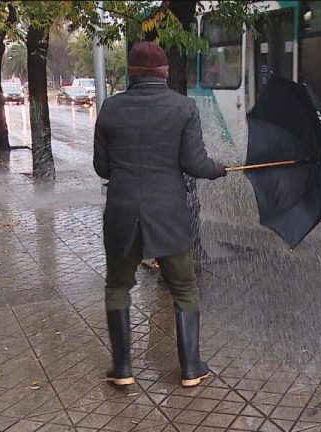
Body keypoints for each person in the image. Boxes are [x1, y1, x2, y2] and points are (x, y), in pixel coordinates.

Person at [93, 41, 228, 388]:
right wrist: (218, 169)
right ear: (164, 72)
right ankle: (191, 368)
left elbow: (101, 166)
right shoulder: (183, 107)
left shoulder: (110, 108)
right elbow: (195, 165)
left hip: (122, 213)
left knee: (118, 287)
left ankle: (122, 369)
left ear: (132, 73)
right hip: (168, 214)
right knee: (184, 288)